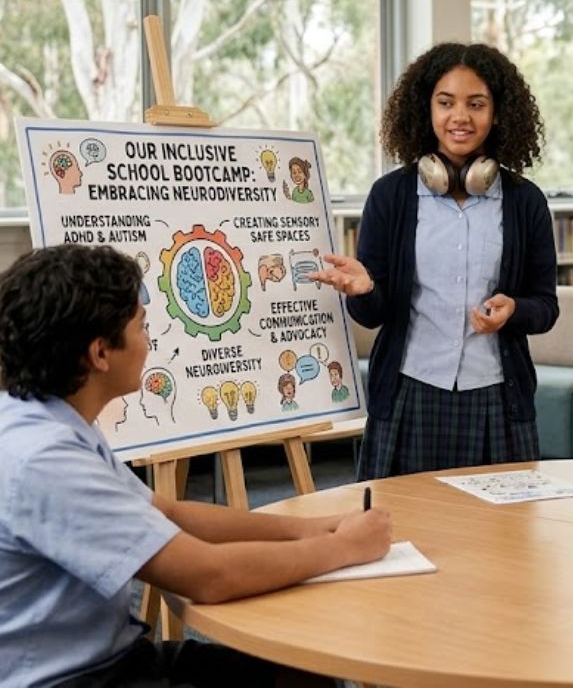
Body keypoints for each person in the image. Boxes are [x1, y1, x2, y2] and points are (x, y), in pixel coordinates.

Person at [0, 244, 390, 688]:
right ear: (100, 353)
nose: (150, 341)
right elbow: (209, 575)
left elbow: (168, 512)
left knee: (302, 670)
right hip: (74, 678)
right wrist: (344, 548)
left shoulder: (46, 418)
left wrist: (313, 529)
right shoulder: (45, 459)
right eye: (142, 327)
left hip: (109, 656)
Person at [309, 42, 558, 479]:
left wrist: (515, 310)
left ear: (498, 113)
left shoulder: (525, 202)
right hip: (410, 391)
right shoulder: (391, 196)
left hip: (496, 395)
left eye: (476, 104)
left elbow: (546, 307)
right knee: (402, 518)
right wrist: (365, 290)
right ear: (426, 109)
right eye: (446, 103)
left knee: (500, 525)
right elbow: (372, 315)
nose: (460, 117)